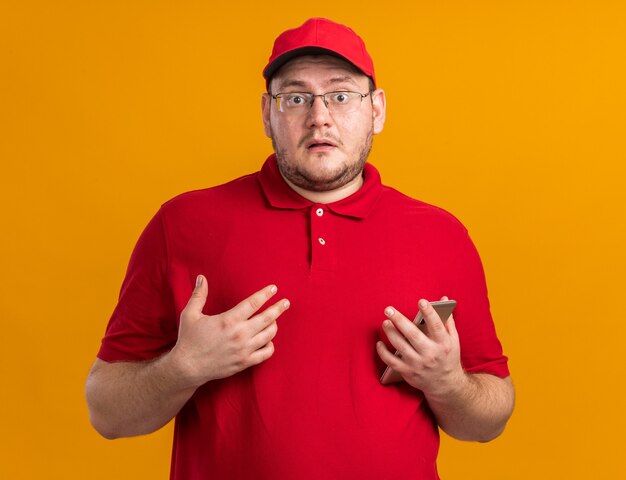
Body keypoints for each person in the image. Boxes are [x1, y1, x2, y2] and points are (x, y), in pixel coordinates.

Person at [86, 17, 514, 480]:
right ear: (267, 114)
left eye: (341, 95)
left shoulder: (441, 235)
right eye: (295, 98)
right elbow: (108, 414)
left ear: (378, 110)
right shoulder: (183, 224)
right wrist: (182, 367)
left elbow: (489, 421)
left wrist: (447, 383)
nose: (320, 116)